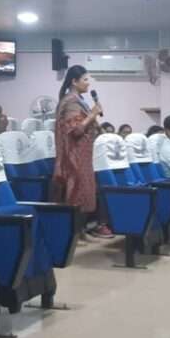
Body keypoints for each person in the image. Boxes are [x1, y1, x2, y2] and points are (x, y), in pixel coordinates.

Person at [53, 65, 113, 240]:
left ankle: (80, 231)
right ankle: (73, 233)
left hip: (83, 153)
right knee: (77, 192)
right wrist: (93, 114)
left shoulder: (78, 100)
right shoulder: (71, 101)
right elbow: (76, 130)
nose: (88, 83)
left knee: (85, 191)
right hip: (75, 155)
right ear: (74, 81)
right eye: (85, 80)